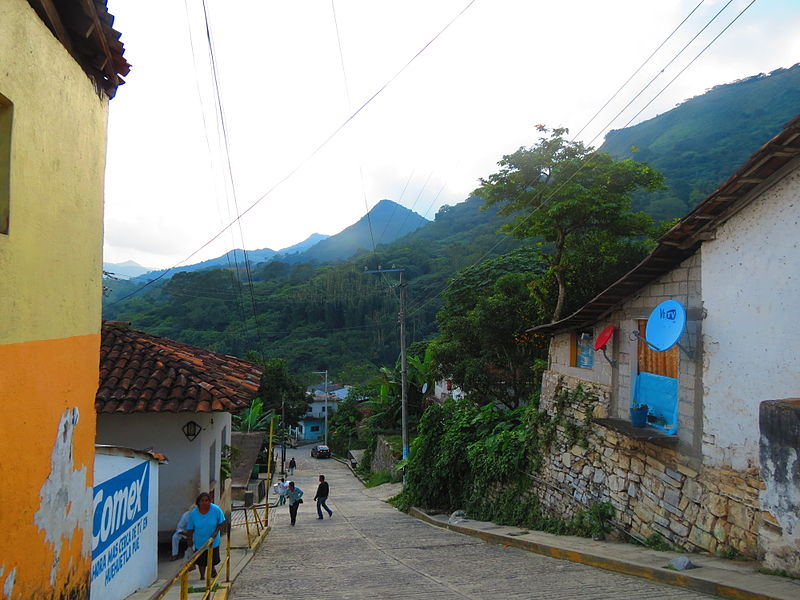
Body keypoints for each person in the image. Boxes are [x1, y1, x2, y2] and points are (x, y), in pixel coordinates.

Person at [185, 492, 226, 580]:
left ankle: (212, 569)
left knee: (212, 559)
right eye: (202, 500)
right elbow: (190, 528)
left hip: (213, 540)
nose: (204, 502)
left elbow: (221, 522)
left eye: (207, 500)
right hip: (200, 541)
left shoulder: (216, 510)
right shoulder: (194, 514)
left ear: (210, 501)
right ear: (198, 502)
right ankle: (202, 577)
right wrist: (189, 541)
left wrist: (216, 532)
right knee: (201, 561)